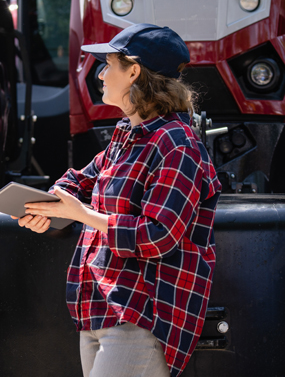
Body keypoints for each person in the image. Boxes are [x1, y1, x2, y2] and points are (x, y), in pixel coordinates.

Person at [15, 24, 222, 377]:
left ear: (134, 72)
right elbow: (78, 181)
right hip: (100, 308)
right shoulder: (125, 138)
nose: (101, 74)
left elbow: (158, 236)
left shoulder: (178, 146)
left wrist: (82, 214)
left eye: (108, 64)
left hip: (142, 316)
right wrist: (48, 207)